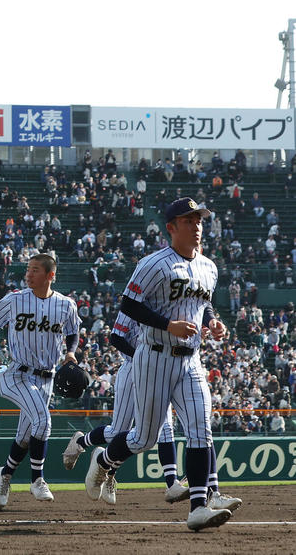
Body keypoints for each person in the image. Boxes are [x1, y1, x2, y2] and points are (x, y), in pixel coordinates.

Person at [79, 198, 239, 531]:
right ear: (171, 227)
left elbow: (203, 303)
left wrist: (214, 322)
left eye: (199, 220)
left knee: (200, 429)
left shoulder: (209, 266)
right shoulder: (155, 264)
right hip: (154, 356)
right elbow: (128, 305)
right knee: (143, 439)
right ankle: (104, 459)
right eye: (189, 220)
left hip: (191, 360)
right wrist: (168, 325)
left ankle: (199, 507)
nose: (197, 226)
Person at [0, 253, 79, 506]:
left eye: (35, 269)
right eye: (28, 269)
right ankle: (37, 479)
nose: (28, 274)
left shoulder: (66, 305)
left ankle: (5, 474)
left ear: (50, 275)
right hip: (16, 373)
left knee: (26, 436)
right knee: (42, 420)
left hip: (46, 378)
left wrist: (70, 352)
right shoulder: (15, 300)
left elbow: (73, 332)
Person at [62, 311, 183, 505]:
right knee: (119, 431)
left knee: (165, 428)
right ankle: (84, 444)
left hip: (159, 370)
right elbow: (115, 337)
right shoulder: (134, 303)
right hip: (132, 368)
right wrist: (141, 357)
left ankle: (172, 484)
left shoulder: (167, 305)